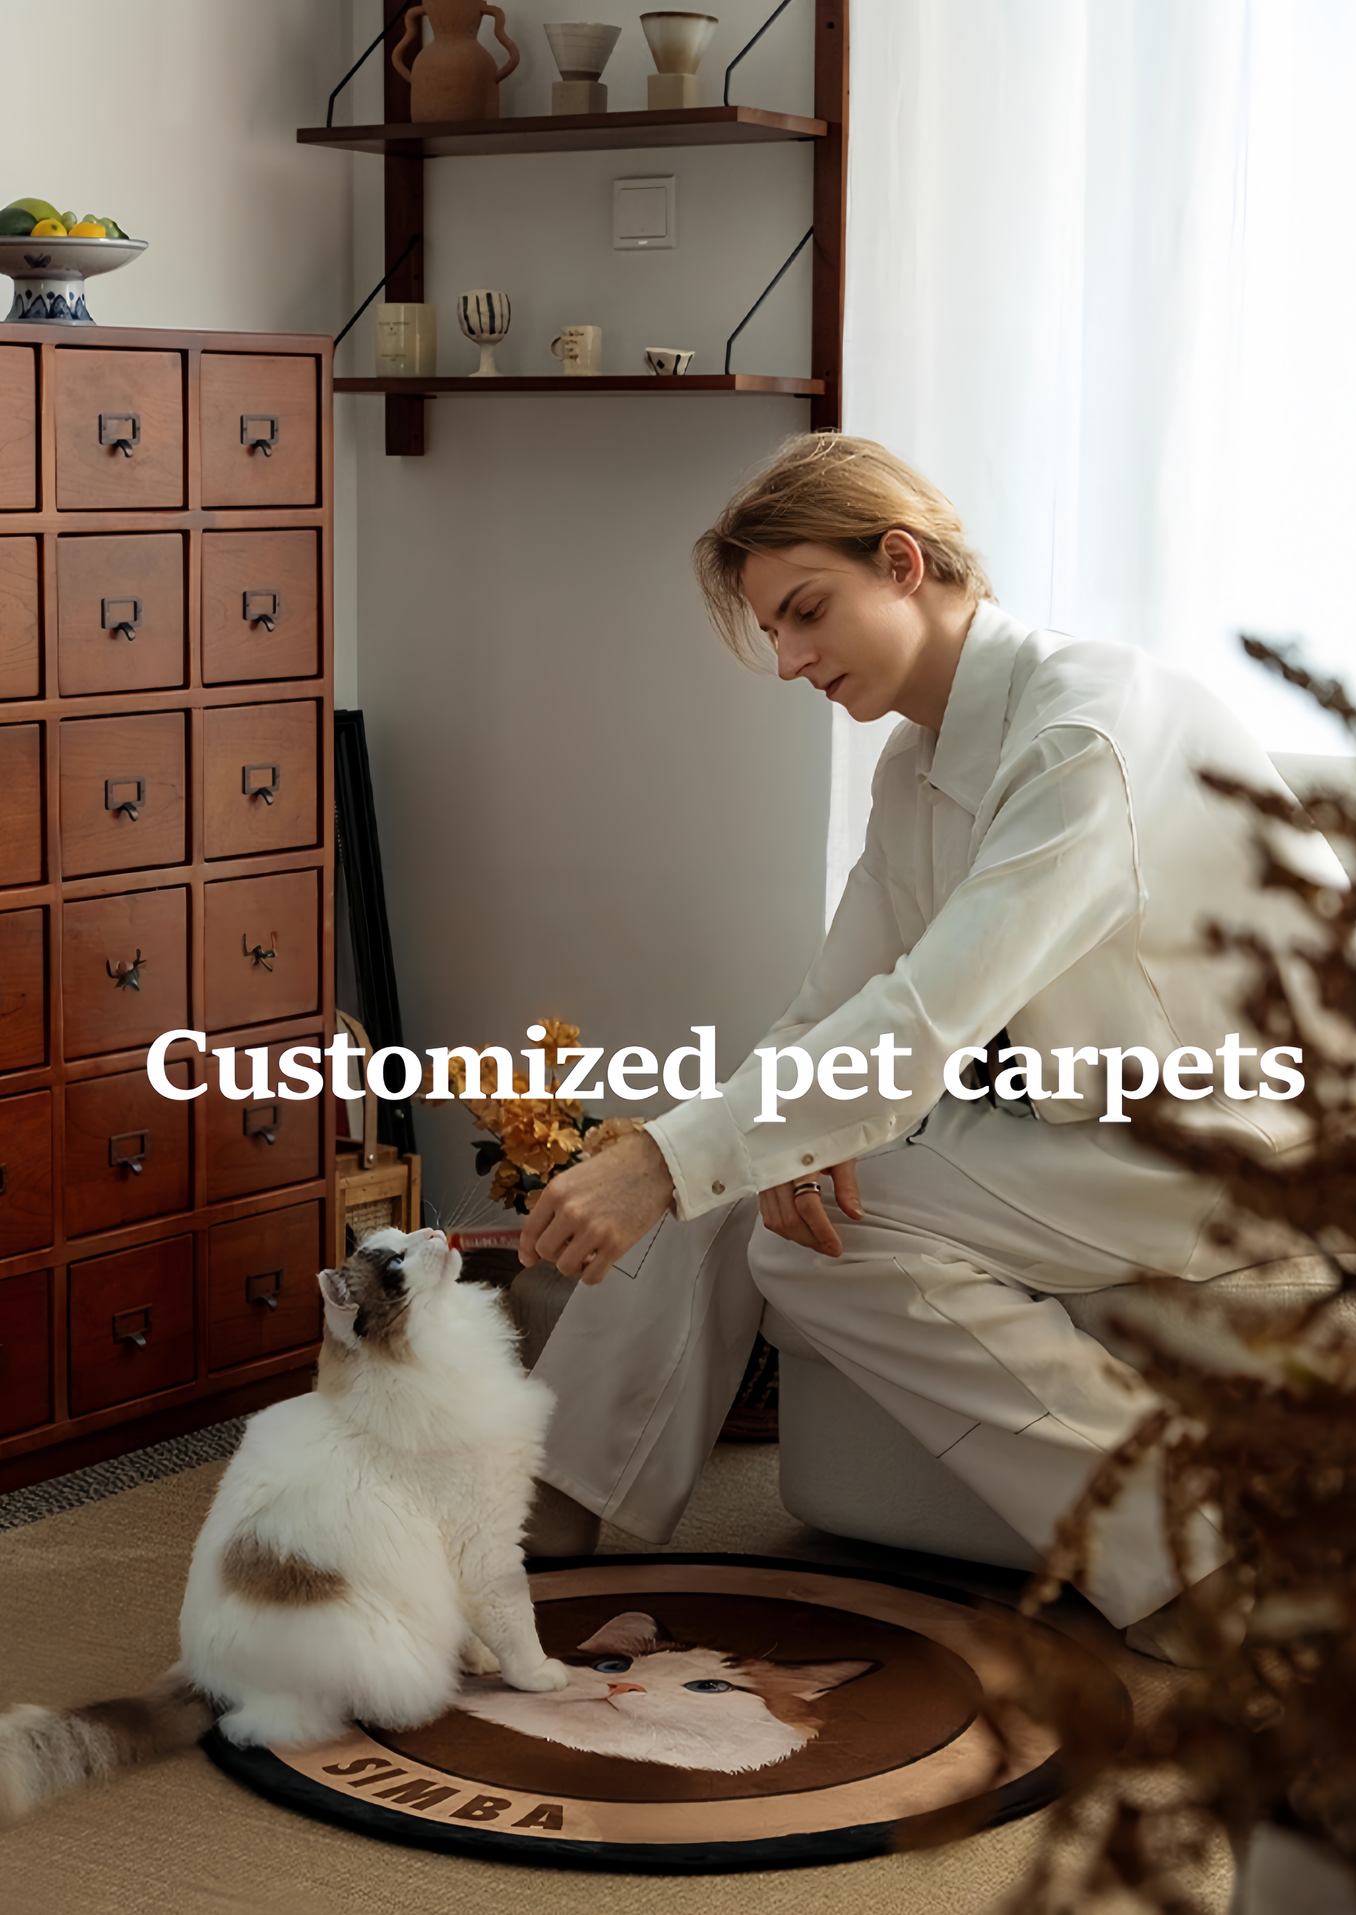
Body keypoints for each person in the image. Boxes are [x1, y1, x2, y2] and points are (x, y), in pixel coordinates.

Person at [515, 434, 1315, 1659]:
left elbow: (923, 1018)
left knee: (776, 1208)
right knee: (731, 1157)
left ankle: (1197, 1557)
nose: (787, 660)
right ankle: (534, 1517)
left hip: (1235, 1143)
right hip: (1082, 1130)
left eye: (804, 612)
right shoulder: (921, 758)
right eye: (772, 631)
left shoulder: (1082, 734)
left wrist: (668, 1162)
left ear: (901, 561)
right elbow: (830, 1007)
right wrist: (694, 1150)